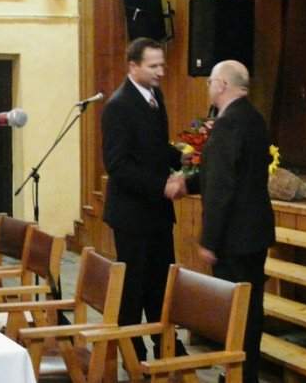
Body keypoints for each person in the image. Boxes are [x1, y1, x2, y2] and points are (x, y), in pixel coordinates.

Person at [101, 37, 188, 362]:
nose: (161, 72)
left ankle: (166, 344)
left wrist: (182, 157)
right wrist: (160, 186)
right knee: (133, 286)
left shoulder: (155, 97)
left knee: (162, 284)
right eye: (153, 66)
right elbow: (117, 165)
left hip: (157, 214)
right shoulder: (118, 106)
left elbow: (154, 147)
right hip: (132, 215)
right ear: (133, 66)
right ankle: (131, 351)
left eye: (162, 65)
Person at [194, 60, 276, 383]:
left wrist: (209, 240)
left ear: (222, 85)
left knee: (236, 314)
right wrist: (188, 183)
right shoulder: (255, 119)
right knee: (251, 311)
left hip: (233, 238)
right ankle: (245, 374)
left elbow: (222, 187)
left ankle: (238, 376)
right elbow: (239, 174)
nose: (208, 87)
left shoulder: (228, 124)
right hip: (255, 233)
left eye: (210, 81)